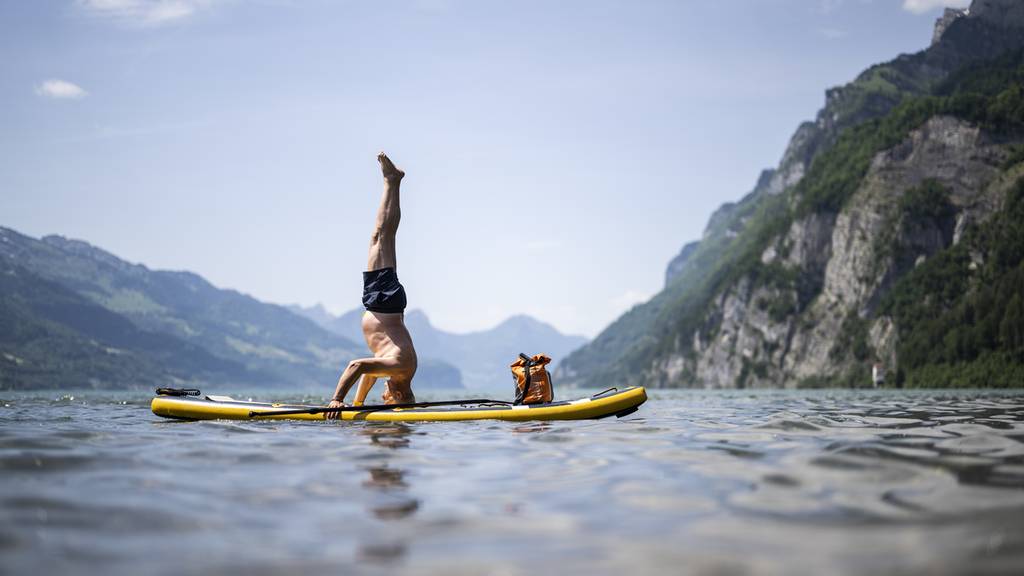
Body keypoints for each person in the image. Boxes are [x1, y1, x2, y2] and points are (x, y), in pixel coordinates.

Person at [326, 152, 417, 418]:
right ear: (399, 394)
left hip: (385, 303)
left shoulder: (397, 371)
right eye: (387, 398)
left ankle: (393, 181)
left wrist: (356, 406)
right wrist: (335, 400)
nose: (383, 396)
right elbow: (356, 366)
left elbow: (367, 374)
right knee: (381, 236)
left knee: (382, 236)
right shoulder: (399, 366)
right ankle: (392, 181)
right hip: (384, 302)